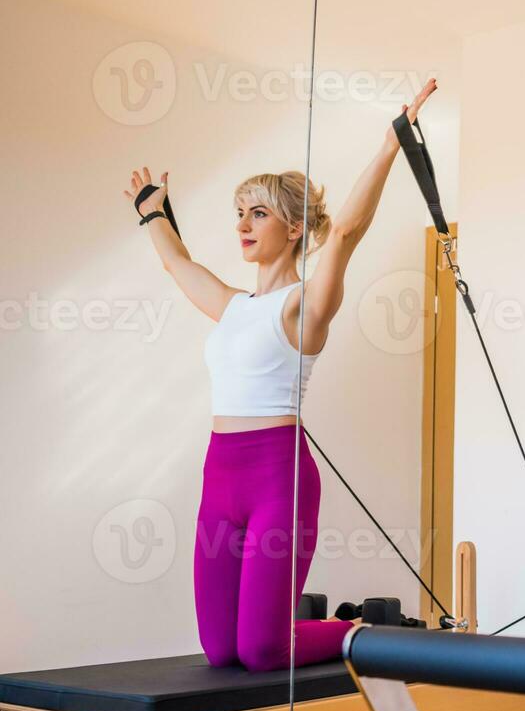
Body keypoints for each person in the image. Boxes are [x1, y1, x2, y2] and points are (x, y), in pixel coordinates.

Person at [125, 79, 438, 672]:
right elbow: (176, 262)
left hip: (279, 479)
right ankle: (305, 617)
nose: (243, 224)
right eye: (239, 213)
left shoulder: (302, 307)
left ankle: (362, 628)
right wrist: (150, 211)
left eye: (259, 213)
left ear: (293, 228)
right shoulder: (233, 305)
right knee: (221, 651)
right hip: (220, 477)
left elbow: (344, 231)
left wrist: (391, 143)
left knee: (264, 650)